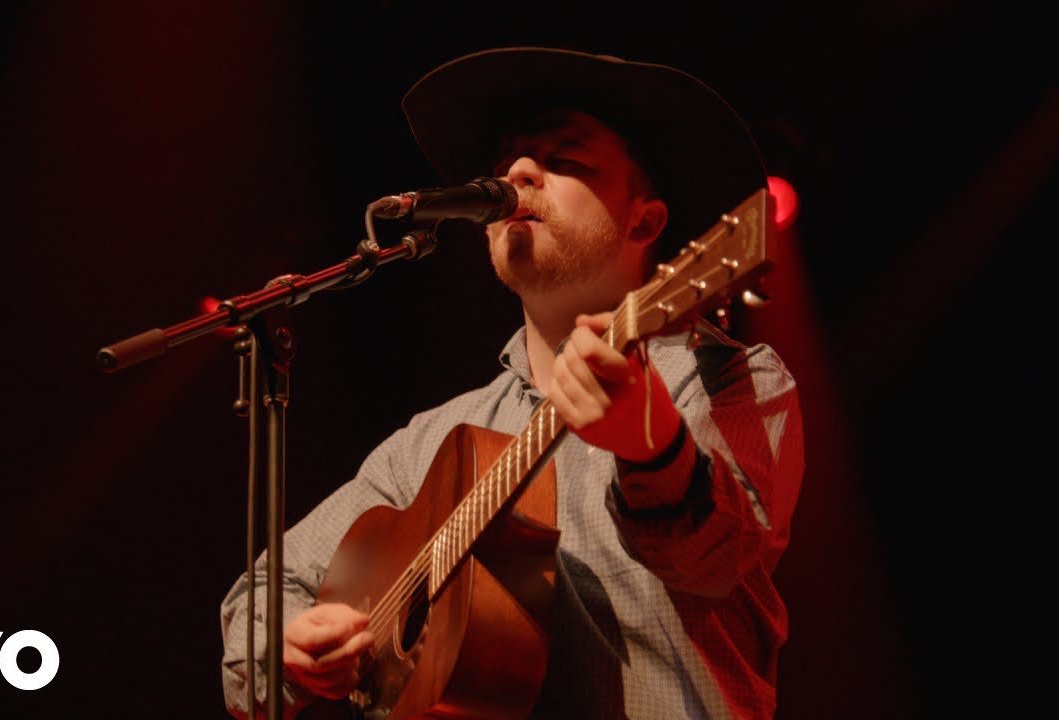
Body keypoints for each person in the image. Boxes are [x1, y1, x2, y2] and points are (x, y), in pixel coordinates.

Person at [220, 46, 805, 720]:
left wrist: (654, 450)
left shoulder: (726, 378)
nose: (519, 172)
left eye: (565, 161)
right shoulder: (429, 445)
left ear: (643, 221)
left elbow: (718, 562)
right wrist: (291, 647)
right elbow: (260, 593)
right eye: (505, 166)